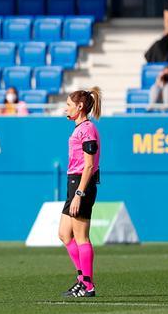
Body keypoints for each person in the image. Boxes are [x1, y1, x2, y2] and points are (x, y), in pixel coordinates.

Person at [59, 87, 103, 298]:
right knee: (64, 234)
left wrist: (79, 193)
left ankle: (87, 284)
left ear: (80, 106)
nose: (65, 108)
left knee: (81, 237)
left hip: (81, 184)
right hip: (74, 183)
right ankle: (82, 279)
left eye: (68, 104)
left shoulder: (87, 129)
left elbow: (89, 165)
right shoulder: (80, 128)